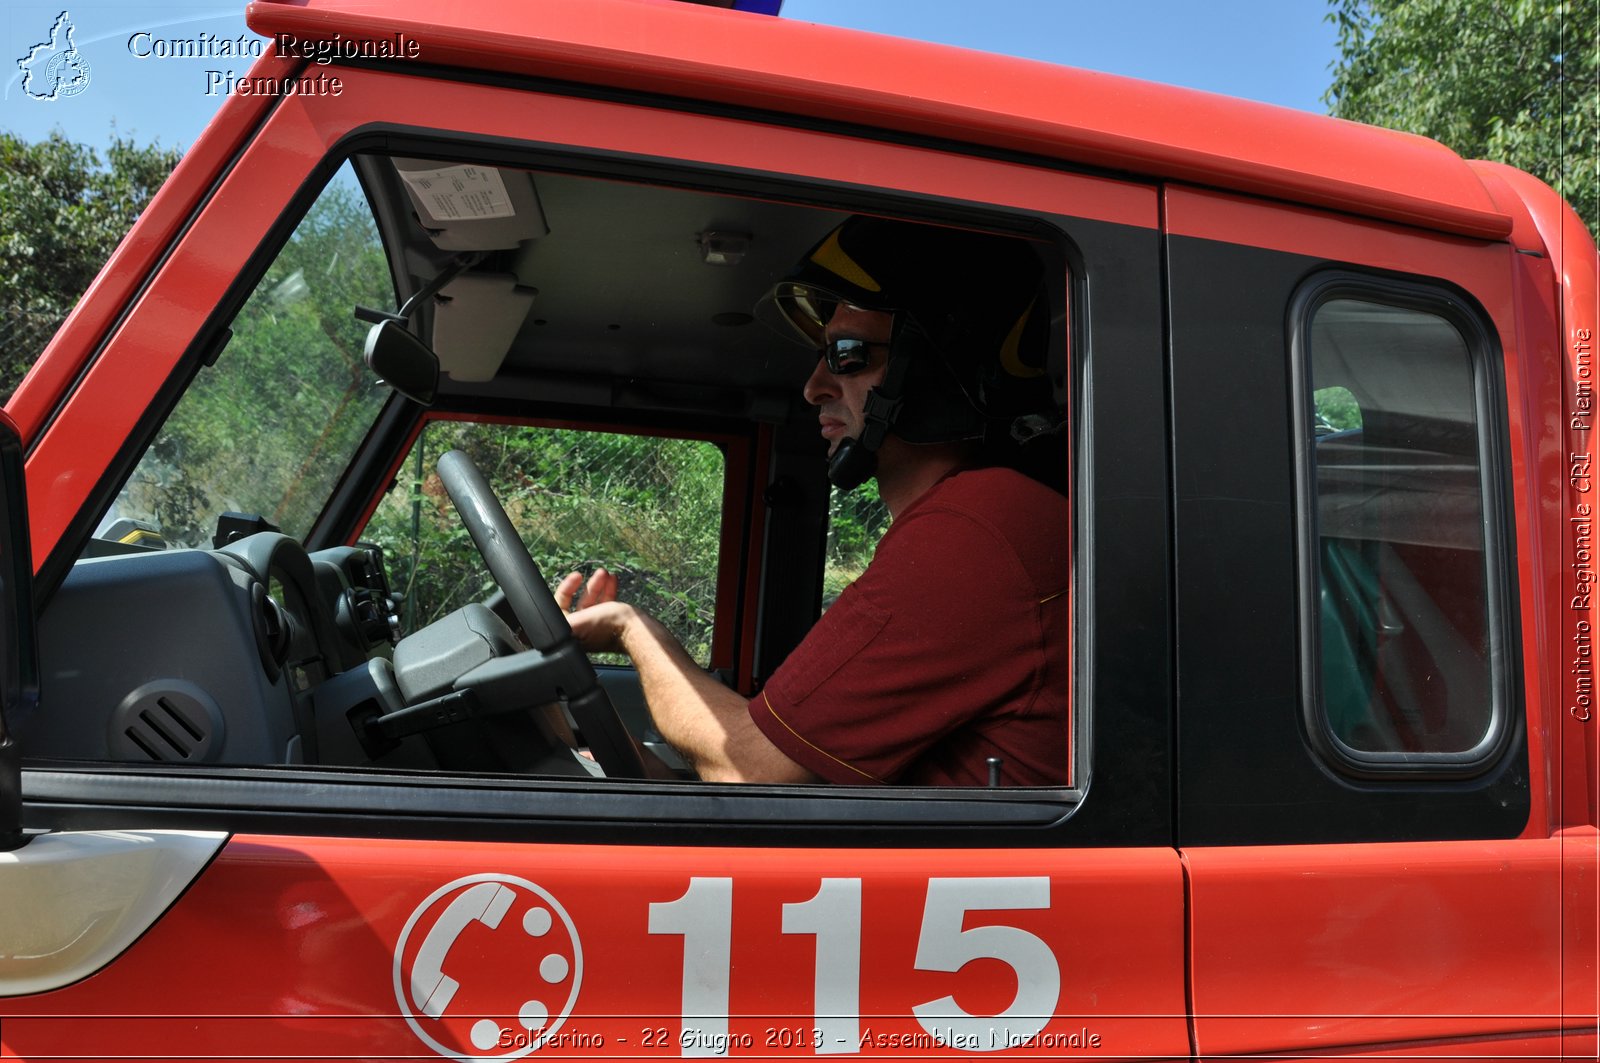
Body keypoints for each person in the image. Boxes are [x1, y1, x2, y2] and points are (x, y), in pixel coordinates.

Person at [559, 215, 1070, 786]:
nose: (813, 387)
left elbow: (751, 769)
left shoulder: (978, 529)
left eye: (847, 354)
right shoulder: (981, 520)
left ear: (932, 367)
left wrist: (633, 630)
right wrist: (555, 719)